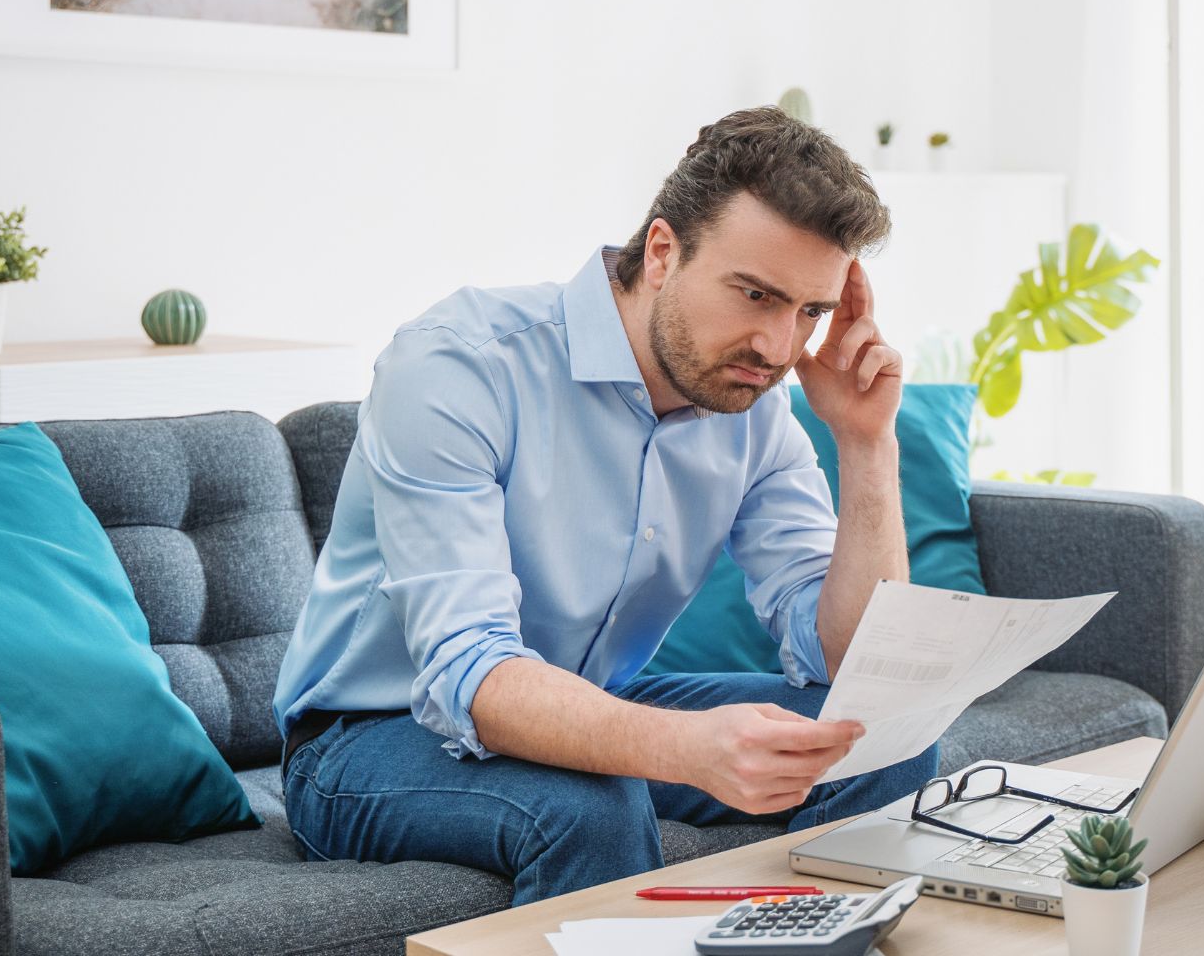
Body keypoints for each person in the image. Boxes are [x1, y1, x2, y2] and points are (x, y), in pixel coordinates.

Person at [272, 106, 938, 904]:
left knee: (878, 738)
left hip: (588, 698)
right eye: (755, 294)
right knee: (593, 804)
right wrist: (685, 747)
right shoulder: (459, 366)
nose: (778, 347)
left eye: (810, 312)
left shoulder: (755, 405)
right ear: (663, 252)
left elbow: (852, 663)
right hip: (370, 738)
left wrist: (868, 445)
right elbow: (471, 669)